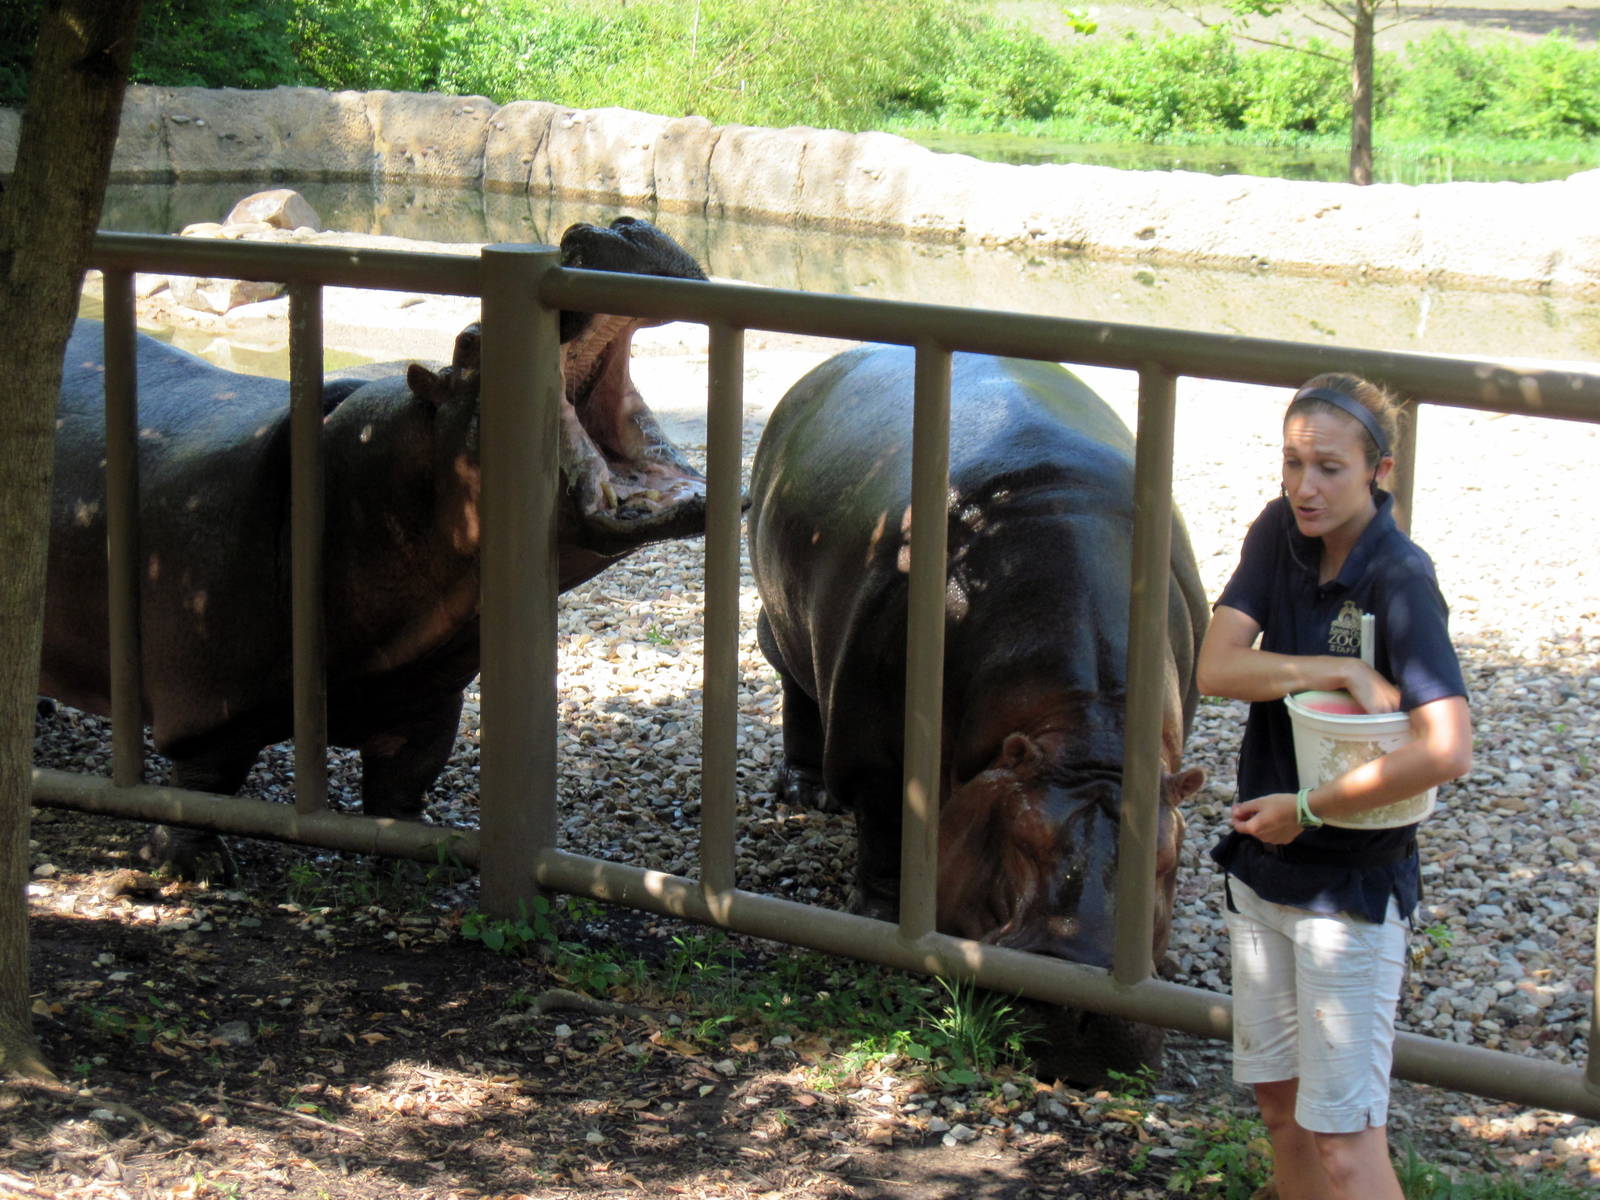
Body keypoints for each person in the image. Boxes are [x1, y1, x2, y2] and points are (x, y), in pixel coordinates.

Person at [1195, 373, 1473, 1200]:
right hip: (1262, 868)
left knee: (1344, 1140)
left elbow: (1447, 747)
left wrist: (1310, 809)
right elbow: (1216, 668)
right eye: (1291, 463)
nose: (1304, 487)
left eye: (1328, 469)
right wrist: (1335, 668)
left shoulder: (1402, 577)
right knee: (1281, 1109)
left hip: (1348, 893)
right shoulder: (1279, 532)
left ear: (1378, 472)